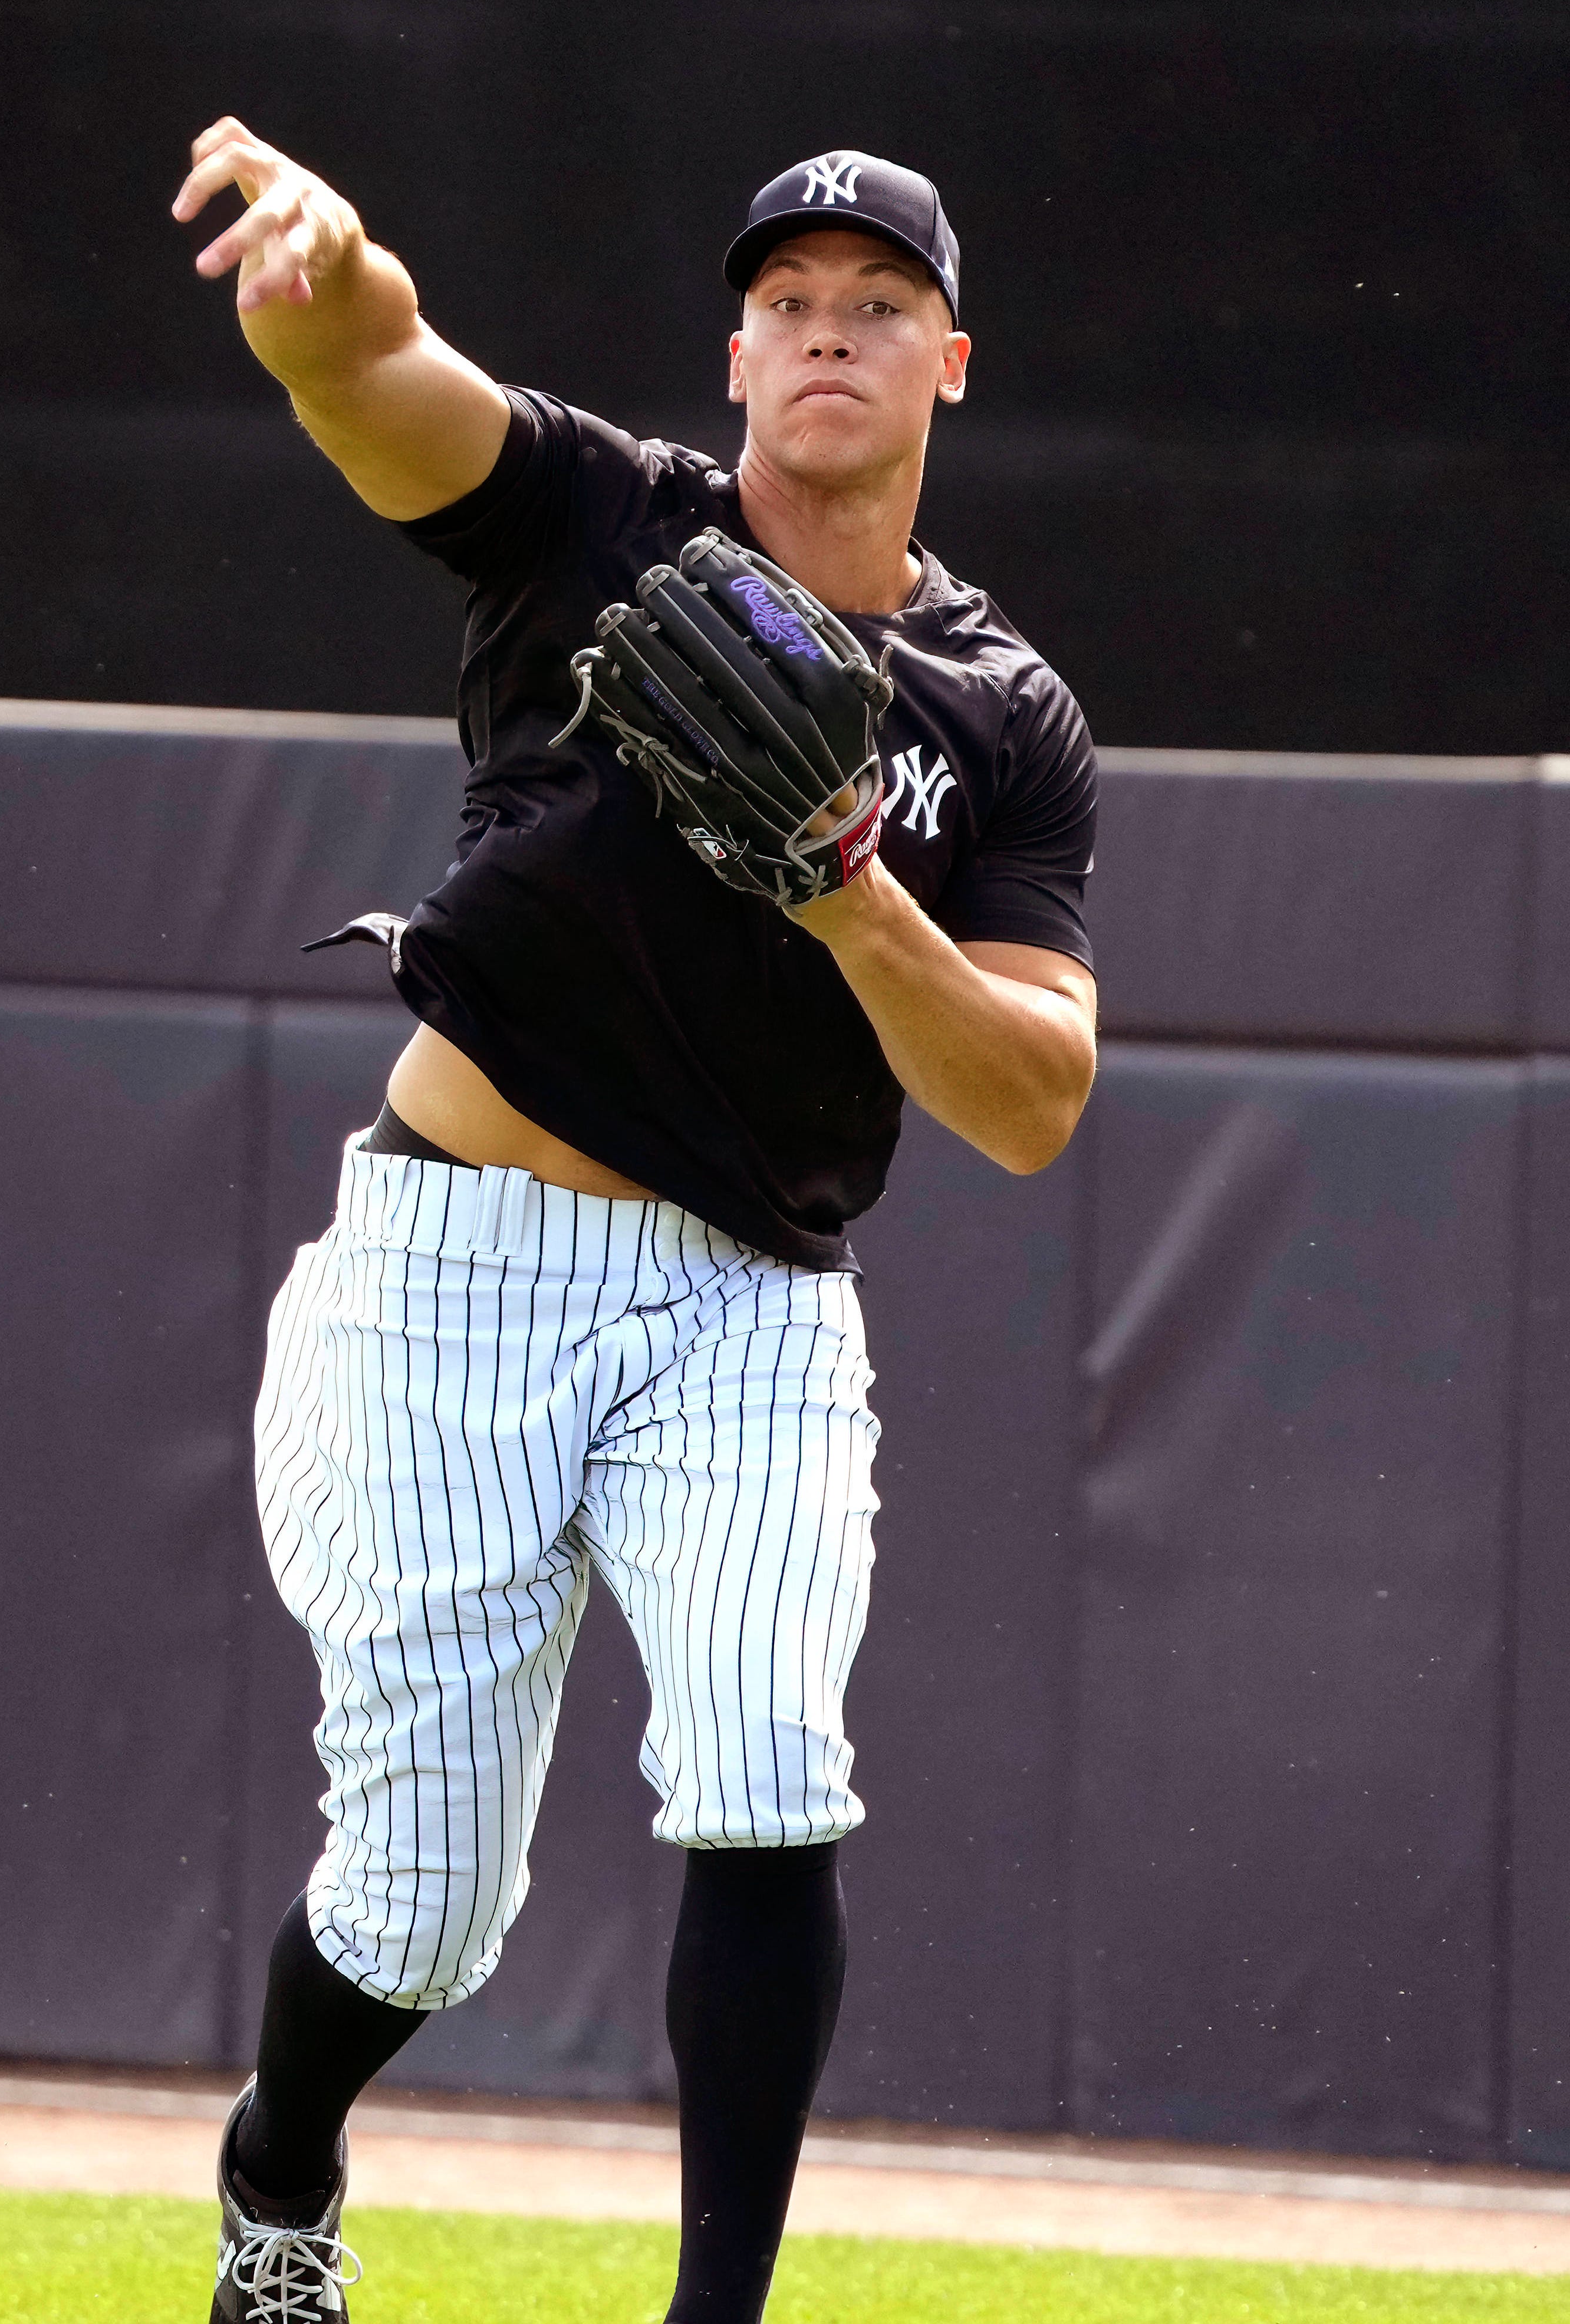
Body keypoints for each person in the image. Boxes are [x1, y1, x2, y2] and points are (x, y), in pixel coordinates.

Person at [169, 123, 1102, 2323]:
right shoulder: (615, 521)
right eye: (792, 302)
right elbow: (383, 384)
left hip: (753, 1296)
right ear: (739, 350)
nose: (831, 333)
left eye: (879, 304)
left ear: (947, 362)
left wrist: (847, 884)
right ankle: (280, 2170)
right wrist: (326, 279)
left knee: (773, 1763)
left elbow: (1036, 1099)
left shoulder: (1005, 713)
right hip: (457, 1259)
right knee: (418, 1907)